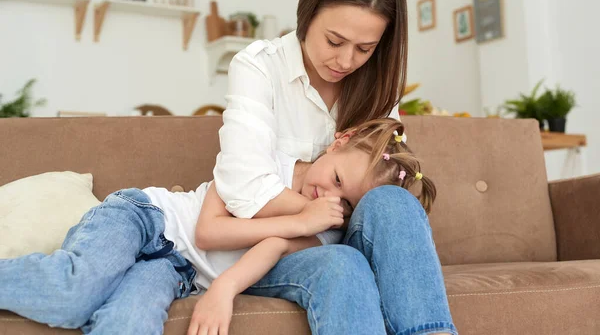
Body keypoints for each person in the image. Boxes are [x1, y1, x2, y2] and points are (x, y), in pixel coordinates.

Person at [212, 0, 457, 335]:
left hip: (347, 238)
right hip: (278, 250)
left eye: (365, 49)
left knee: (393, 201)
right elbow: (243, 188)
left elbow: (387, 176)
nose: (345, 60)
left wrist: (335, 211)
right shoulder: (259, 67)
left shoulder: (377, 88)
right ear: (308, 14)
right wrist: (320, 217)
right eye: (335, 40)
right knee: (343, 262)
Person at [0, 118, 431, 335]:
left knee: (128, 322)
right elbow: (208, 231)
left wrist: (223, 288)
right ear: (339, 141)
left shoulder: (328, 228)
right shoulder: (264, 161)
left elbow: (270, 250)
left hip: (175, 271)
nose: (330, 198)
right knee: (76, 292)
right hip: (146, 217)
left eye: (347, 200)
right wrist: (299, 218)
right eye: (336, 179)